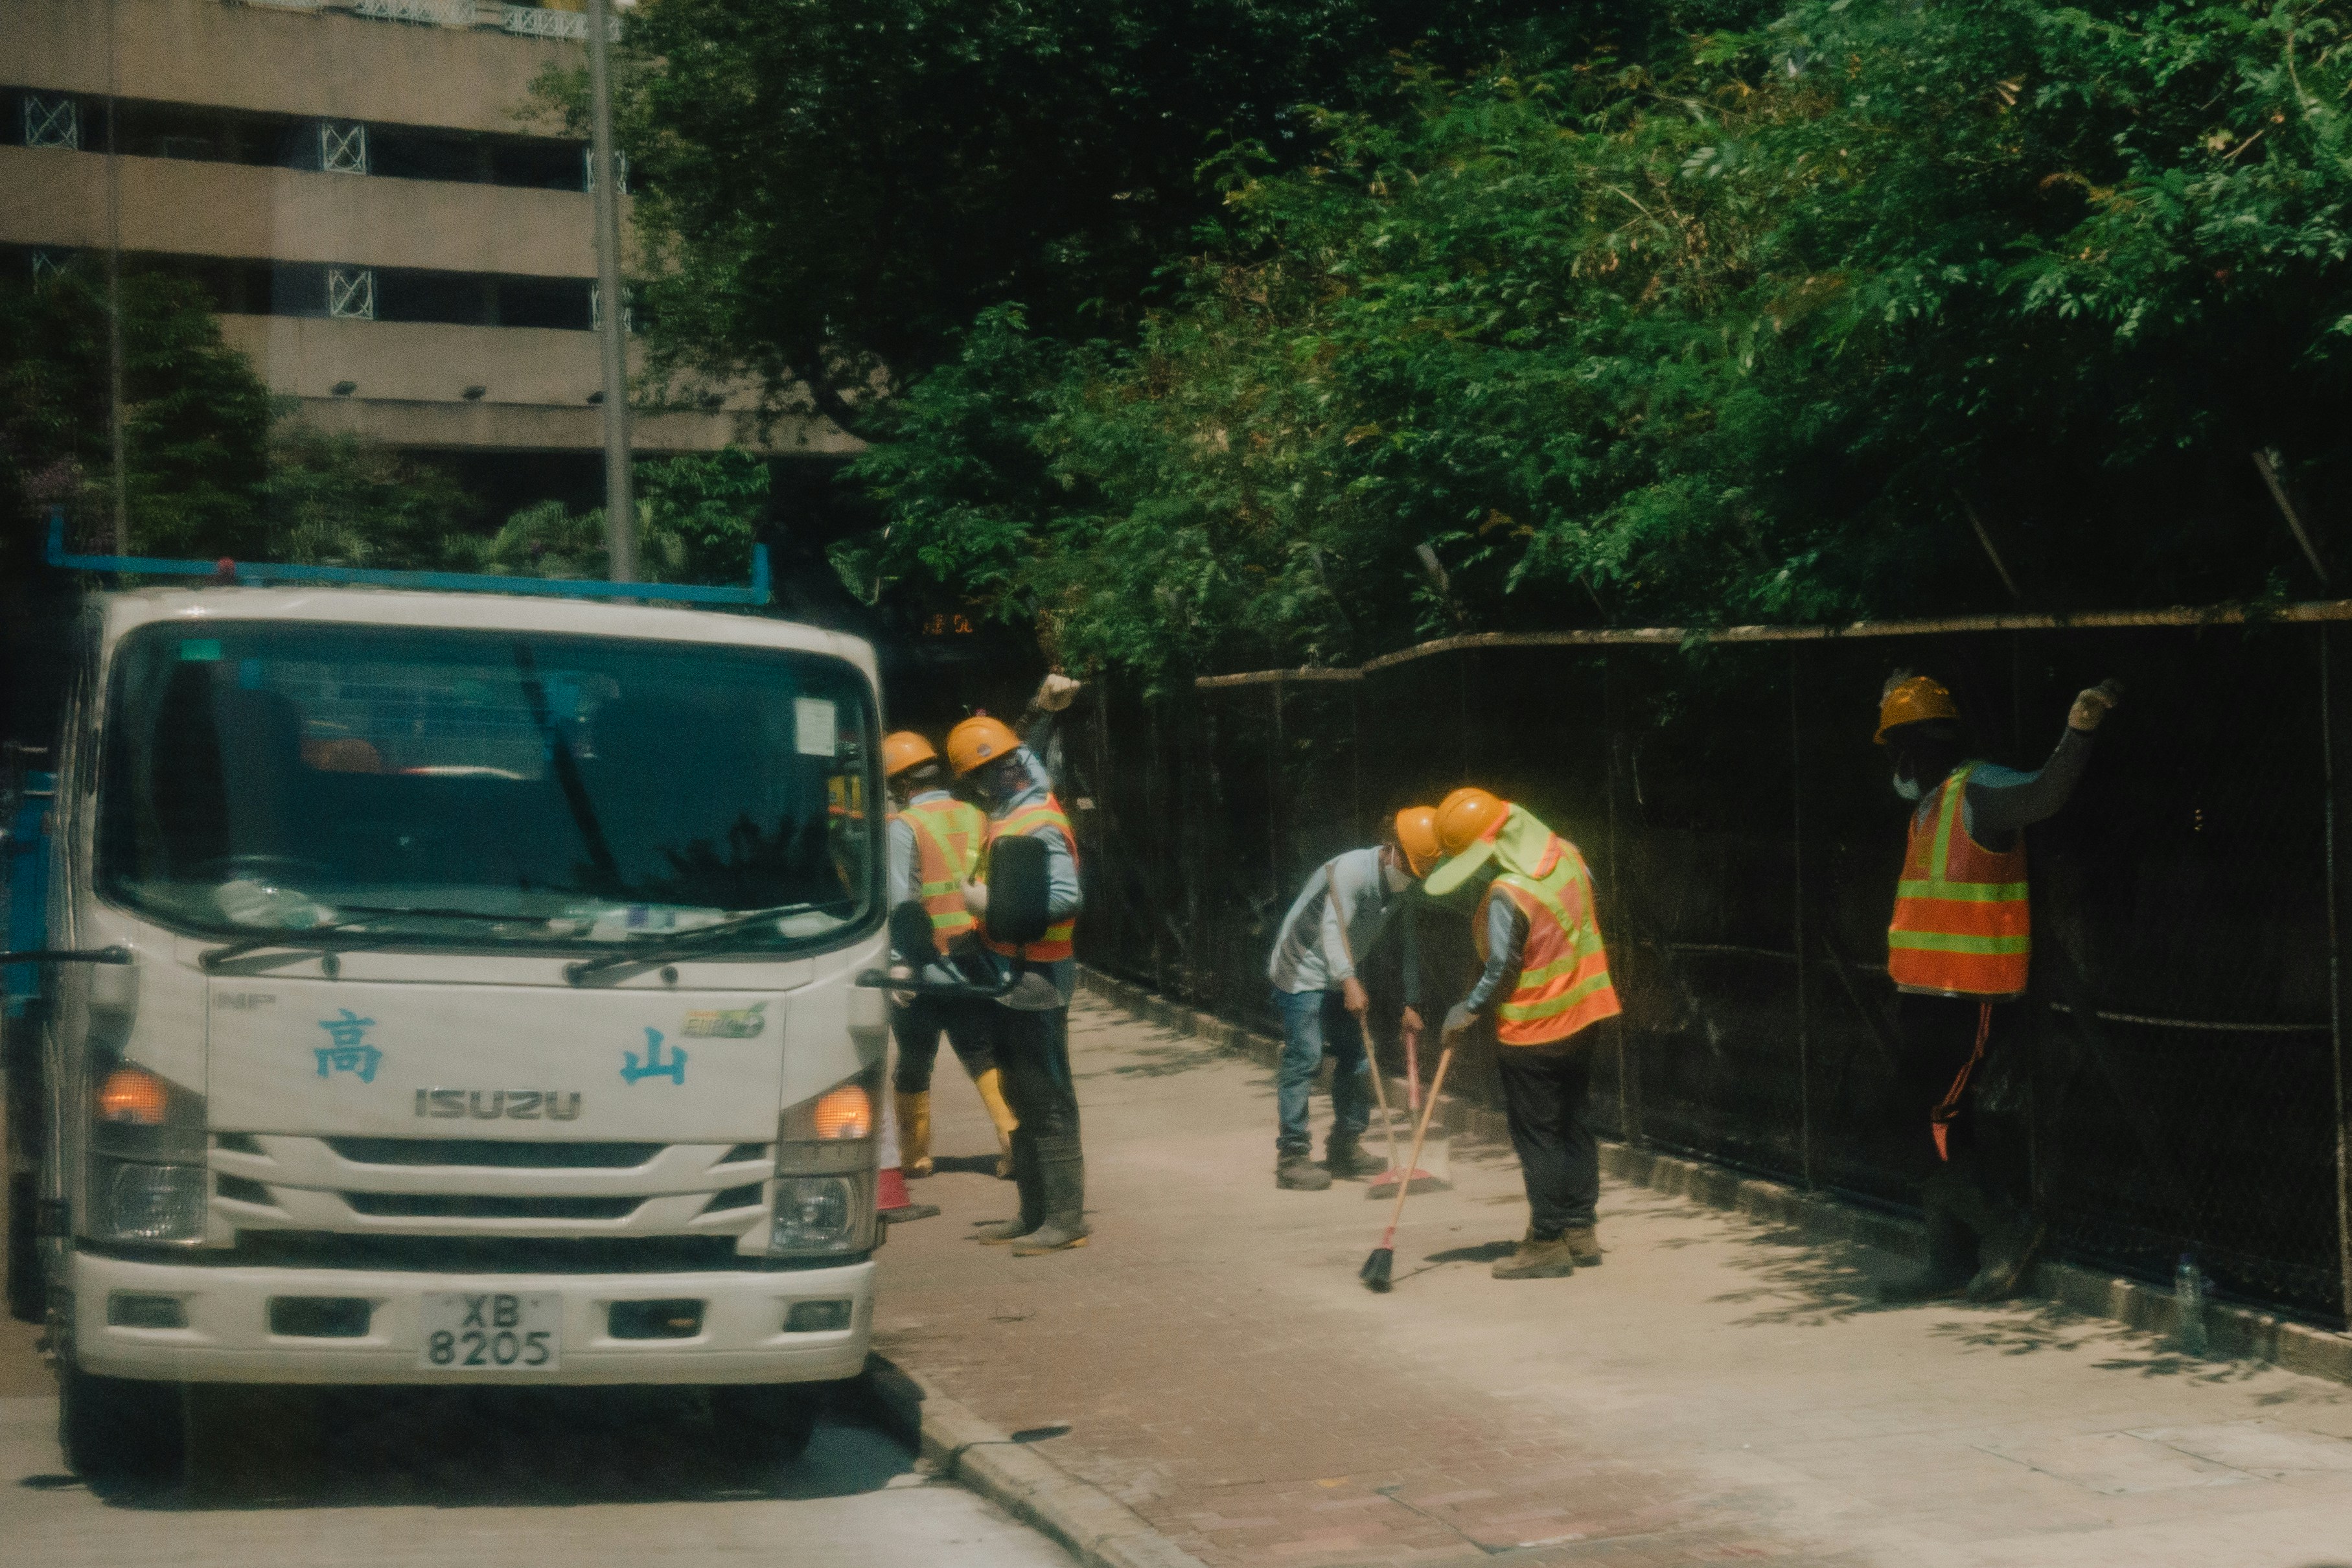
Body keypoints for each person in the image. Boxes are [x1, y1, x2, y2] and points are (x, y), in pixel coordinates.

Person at [1873, 672, 2120, 1304]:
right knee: (1941, 1125)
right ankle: (1948, 1259)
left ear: (1928, 744)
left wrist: (2079, 730)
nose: (1897, 763)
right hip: (1925, 994)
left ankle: (2008, 1231)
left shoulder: (1978, 790)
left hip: (1969, 996)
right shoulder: (1929, 806)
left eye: (1901, 746)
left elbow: (2046, 791)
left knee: (1919, 1123)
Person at [1424, 788, 1622, 1280]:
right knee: (1574, 1123)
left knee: (1539, 1137)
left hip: (1533, 1031)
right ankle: (1580, 1231)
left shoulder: (1508, 893)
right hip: (1585, 1015)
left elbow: (1502, 968)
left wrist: (1464, 1012)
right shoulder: (1572, 856)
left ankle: (1547, 1242)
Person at [949, 695, 1090, 1255]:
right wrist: (1037, 706)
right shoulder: (1019, 808)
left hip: (1040, 977)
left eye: (993, 770)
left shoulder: (1039, 821)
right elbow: (1022, 748)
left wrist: (993, 905)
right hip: (1011, 974)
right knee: (1019, 1093)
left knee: (1047, 1097)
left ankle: (1064, 1219)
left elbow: (1064, 897)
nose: (1000, 775)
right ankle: (1033, 1213)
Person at [1262, 807, 1437, 1190]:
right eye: (1407, 864)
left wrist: (1412, 999)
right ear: (1392, 848)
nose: (1411, 873)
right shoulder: (1352, 871)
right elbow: (1331, 928)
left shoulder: (1405, 885)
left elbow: (1406, 941)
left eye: (1419, 869)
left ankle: (1345, 1146)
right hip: (1302, 965)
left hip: (1342, 970)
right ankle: (1291, 1156)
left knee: (1359, 1055)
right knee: (1306, 1056)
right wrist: (1350, 981)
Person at [882, 730, 1020, 1181]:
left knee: (914, 1060)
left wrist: (898, 964)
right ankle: (1012, 1141)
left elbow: (902, 904)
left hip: (920, 967)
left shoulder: (904, 827)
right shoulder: (977, 816)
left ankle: (915, 1159)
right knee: (982, 1054)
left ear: (901, 785)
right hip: (974, 961)